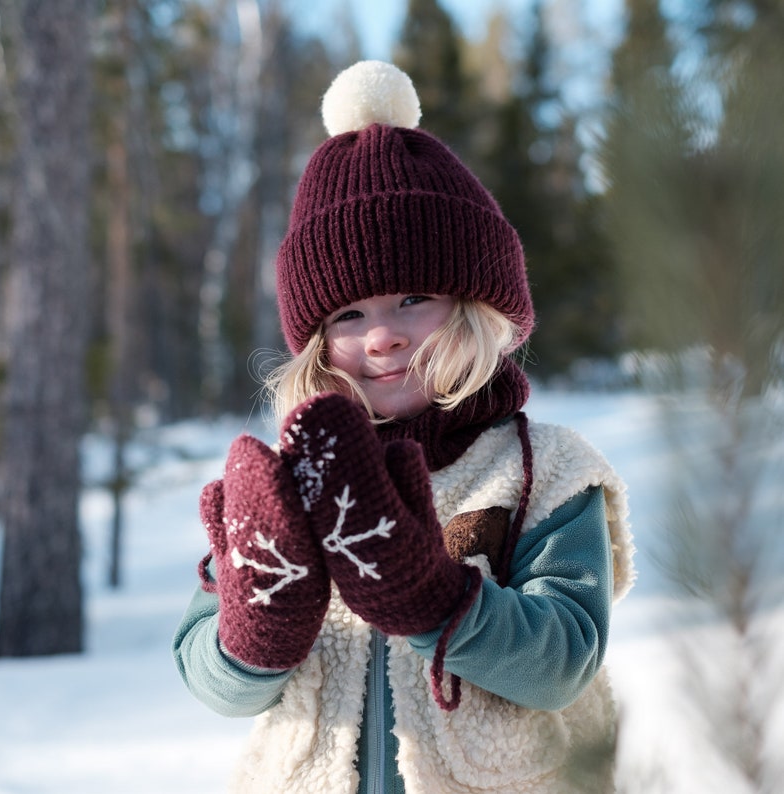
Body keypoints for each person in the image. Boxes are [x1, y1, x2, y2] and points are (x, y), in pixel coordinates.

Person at [172, 60, 635, 794]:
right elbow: (210, 678)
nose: (381, 336)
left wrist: (434, 597)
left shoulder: (543, 471)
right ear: (317, 342)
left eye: (412, 299)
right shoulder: (289, 486)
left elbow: (565, 663)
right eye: (348, 315)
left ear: (478, 307)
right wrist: (260, 627)